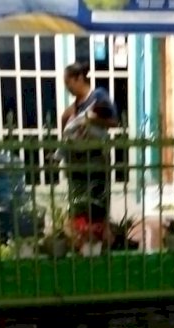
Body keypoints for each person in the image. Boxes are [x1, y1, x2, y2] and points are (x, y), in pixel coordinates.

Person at [55, 62, 118, 246]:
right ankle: (84, 248)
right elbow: (66, 138)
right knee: (78, 210)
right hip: (76, 164)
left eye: (68, 82)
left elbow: (114, 122)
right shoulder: (72, 109)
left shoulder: (98, 96)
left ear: (80, 79)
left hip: (96, 160)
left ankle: (100, 247)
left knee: (97, 207)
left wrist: (92, 120)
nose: (67, 87)